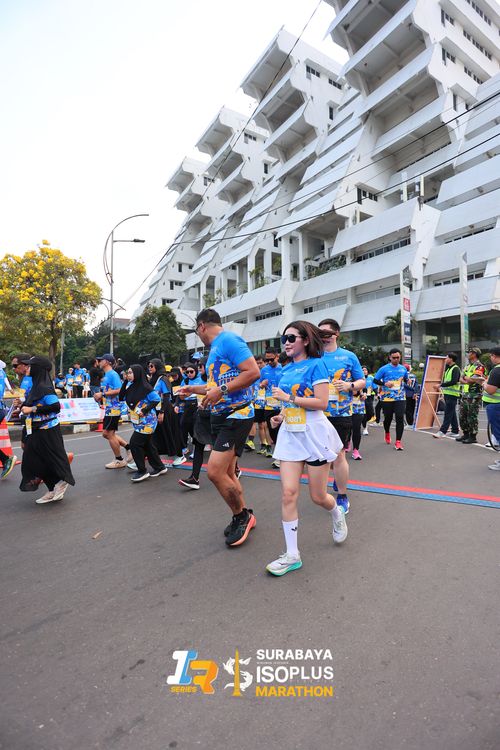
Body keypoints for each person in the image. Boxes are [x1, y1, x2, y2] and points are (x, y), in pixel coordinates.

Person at [265, 321, 347, 577]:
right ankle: (292, 555)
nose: (286, 343)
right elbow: (289, 404)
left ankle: (336, 512)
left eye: (291, 338)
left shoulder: (316, 364)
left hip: (314, 434)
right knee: (288, 494)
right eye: (284, 339)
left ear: (306, 340)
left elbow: (322, 402)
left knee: (318, 496)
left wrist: (288, 398)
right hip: (291, 434)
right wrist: (280, 416)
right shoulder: (286, 369)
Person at [178, 308, 260, 547]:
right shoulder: (215, 349)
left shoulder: (229, 340)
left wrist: (221, 390)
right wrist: (193, 389)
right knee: (228, 473)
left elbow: (253, 372)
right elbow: (215, 386)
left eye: (197, 330)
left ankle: (241, 517)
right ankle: (244, 513)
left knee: (214, 472)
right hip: (220, 416)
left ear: (202, 326)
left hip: (237, 415)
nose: (198, 334)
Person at [318, 318, 365, 513]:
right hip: (317, 414)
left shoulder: (348, 356)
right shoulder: (313, 356)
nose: (323, 337)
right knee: (324, 456)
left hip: (341, 413)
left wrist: (349, 385)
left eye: (327, 333)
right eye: (320, 333)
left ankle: (342, 496)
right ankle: (338, 476)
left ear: (336, 334)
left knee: (339, 455)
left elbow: (362, 381)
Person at [19, 356, 75, 503]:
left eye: (30, 366)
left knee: (50, 459)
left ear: (37, 368)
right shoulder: (35, 386)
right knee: (33, 460)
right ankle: (52, 488)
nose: (27, 368)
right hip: (34, 429)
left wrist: (32, 408)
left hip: (48, 430)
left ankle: (60, 483)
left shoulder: (45, 387)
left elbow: (55, 407)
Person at [119, 365, 167, 482]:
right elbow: (121, 397)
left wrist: (145, 410)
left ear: (137, 373)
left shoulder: (146, 387)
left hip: (148, 421)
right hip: (138, 421)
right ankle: (160, 467)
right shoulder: (131, 386)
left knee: (135, 443)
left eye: (131, 373)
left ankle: (142, 471)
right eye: (128, 373)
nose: (128, 375)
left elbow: (156, 399)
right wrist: (125, 381)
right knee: (147, 445)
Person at [179, 356, 212, 490]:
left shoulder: (214, 379)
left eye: (201, 366)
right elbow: (193, 393)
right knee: (198, 445)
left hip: (216, 417)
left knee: (222, 448)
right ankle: (194, 478)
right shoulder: (197, 380)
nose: (199, 369)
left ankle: (235, 469)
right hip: (202, 416)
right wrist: (186, 393)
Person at [93, 353, 131, 468]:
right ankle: (129, 448)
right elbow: (108, 391)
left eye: (101, 360)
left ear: (107, 362)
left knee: (108, 434)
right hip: (109, 408)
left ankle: (119, 460)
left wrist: (102, 394)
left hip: (114, 408)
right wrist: (100, 396)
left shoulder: (113, 374)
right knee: (108, 434)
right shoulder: (106, 375)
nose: (99, 362)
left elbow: (119, 390)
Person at [148, 359, 185, 467]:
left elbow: (166, 397)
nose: (149, 368)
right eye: (149, 366)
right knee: (156, 435)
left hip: (165, 410)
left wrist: (162, 412)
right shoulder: (152, 379)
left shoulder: (163, 379)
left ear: (157, 366)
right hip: (155, 410)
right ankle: (149, 457)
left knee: (171, 433)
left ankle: (180, 455)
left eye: (151, 366)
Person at [373, 348, 409, 450]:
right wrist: (385, 383)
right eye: (394, 358)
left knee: (400, 417)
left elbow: (405, 379)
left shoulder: (403, 369)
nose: (396, 359)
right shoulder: (384, 369)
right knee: (388, 418)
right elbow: (375, 380)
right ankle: (387, 432)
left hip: (400, 397)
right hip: (387, 398)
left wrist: (408, 381)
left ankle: (398, 442)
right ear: (390, 357)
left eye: (398, 357)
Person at [456, 347, 486, 444]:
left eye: (469, 352)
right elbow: (461, 378)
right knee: (462, 415)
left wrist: (467, 379)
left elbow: (473, 379)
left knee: (471, 416)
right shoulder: (467, 366)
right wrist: (467, 379)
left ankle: (473, 436)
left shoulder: (479, 366)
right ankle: (466, 434)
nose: (468, 354)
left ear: (474, 354)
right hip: (465, 394)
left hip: (474, 395)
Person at [260, 348, 283, 462]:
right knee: (272, 430)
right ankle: (278, 453)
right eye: (267, 360)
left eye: (271, 359)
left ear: (277, 356)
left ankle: (281, 457)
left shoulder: (283, 368)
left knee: (282, 431)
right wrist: (262, 384)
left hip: (282, 404)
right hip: (269, 405)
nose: (269, 362)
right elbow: (259, 385)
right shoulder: (264, 370)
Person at [481, 347, 500, 471]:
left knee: (499, 433)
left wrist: (484, 384)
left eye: (491, 356)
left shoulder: (497, 370)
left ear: (494, 356)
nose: (490, 358)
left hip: (496, 405)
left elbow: (491, 390)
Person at [434, 353, 461, 438]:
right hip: (448, 393)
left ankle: (442, 431)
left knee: (448, 413)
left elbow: (454, 381)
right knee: (452, 413)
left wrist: (440, 385)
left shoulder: (455, 368)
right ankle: (455, 431)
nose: (445, 359)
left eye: (447, 358)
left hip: (452, 394)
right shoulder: (449, 368)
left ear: (451, 359)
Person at [0, 360, 17, 479]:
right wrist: (10, 389)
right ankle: (5, 459)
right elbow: (6, 381)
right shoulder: (2, 372)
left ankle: (6, 459)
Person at [351, 387, 366, 460]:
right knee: (346, 427)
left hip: (358, 406)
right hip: (344, 406)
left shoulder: (359, 379)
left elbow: (364, 387)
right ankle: (347, 442)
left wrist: (364, 394)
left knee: (356, 428)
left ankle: (355, 450)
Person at [361, 366, 377, 435]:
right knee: (364, 413)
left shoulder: (371, 378)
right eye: (363, 370)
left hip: (370, 396)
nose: (364, 371)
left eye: (365, 370)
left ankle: (364, 422)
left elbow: (375, 387)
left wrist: (377, 394)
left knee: (370, 413)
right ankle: (365, 428)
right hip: (361, 397)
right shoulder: (359, 378)